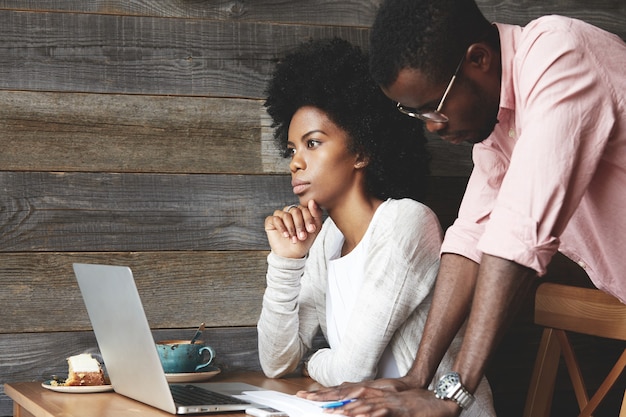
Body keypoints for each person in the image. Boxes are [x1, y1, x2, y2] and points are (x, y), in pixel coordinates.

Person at [297, 1, 626, 416]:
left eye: (435, 105)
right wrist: (417, 378)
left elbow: (519, 233)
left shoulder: (560, 56)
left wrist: (452, 395)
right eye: (414, 113)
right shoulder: (499, 124)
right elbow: (471, 236)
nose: (432, 127)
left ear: (479, 60)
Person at [258, 37, 496, 416]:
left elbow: (352, 370)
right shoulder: (327, 241)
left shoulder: (406, 223)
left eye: (313, 143)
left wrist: (313, 361)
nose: (295, 163)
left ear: (363, 151)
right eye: (292, 150)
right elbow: (275, 362)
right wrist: (286, 262)